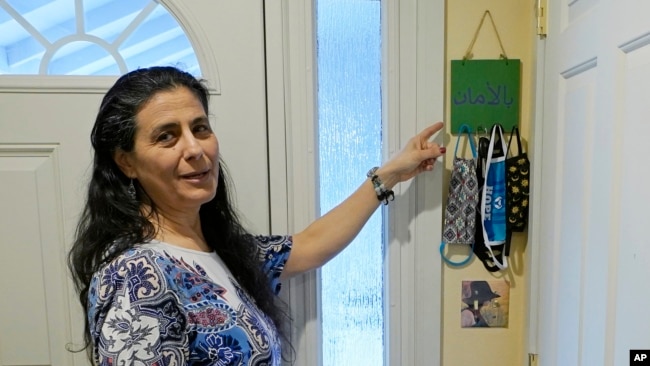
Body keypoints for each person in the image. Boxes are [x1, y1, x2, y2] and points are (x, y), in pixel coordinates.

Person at [67, 66, 446, 365]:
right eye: (167, 136)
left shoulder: (221, 253)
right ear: (126, 162)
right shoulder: (134, 277)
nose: (194, 148)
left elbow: (311, 246)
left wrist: (391, 174)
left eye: (200, 128)